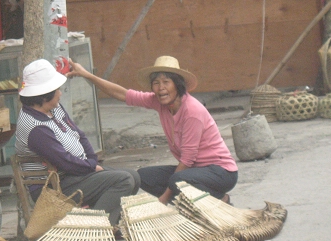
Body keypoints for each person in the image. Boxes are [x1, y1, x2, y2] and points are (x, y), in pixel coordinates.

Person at [68, 55, 238, 205]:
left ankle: (220, 198)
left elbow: (187, 160)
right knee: (144, 176)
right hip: (195, 172)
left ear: (177, 85)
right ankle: (189, 204)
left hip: (221, 172)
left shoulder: (192, 111)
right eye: (156, 83)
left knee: (177, 180)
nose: (161, 88)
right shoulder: (159, 102)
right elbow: (123, 94)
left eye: (166, 82)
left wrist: (163, 199)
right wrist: (87, 75)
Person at [15, 59, 140, 232]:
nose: (60, 93)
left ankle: (108, 226)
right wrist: (91, 167)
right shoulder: (35, 128)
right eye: (57, 90)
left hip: (76, 174)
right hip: (54, 186)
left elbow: (79, 134)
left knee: (134, 177)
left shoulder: (53, 108)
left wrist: (92, 160)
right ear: (44, 96)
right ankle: (94, 231)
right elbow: (65, 162)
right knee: (123, 181)